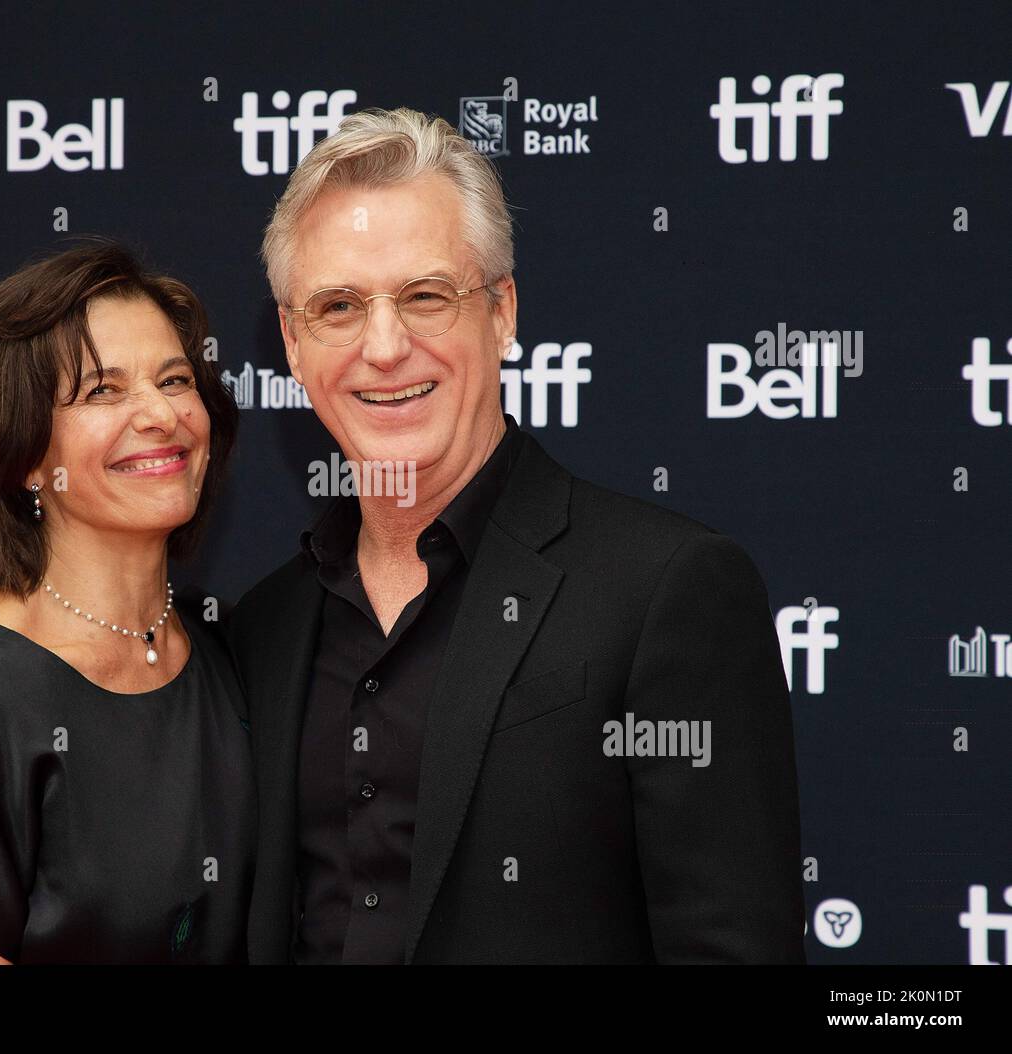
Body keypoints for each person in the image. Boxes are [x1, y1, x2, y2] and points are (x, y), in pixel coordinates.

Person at [229, 108, 805, 964]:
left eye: (426, 296)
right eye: (339, 306)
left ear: (502, 312)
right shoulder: (262, 628)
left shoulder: (665, 589)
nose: (384, 347)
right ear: (292, 341)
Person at [0, 239, 253, 963]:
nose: (161, 414)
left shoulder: (233, 653)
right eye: (104, 390)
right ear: (25, 455)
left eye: (175, 379)